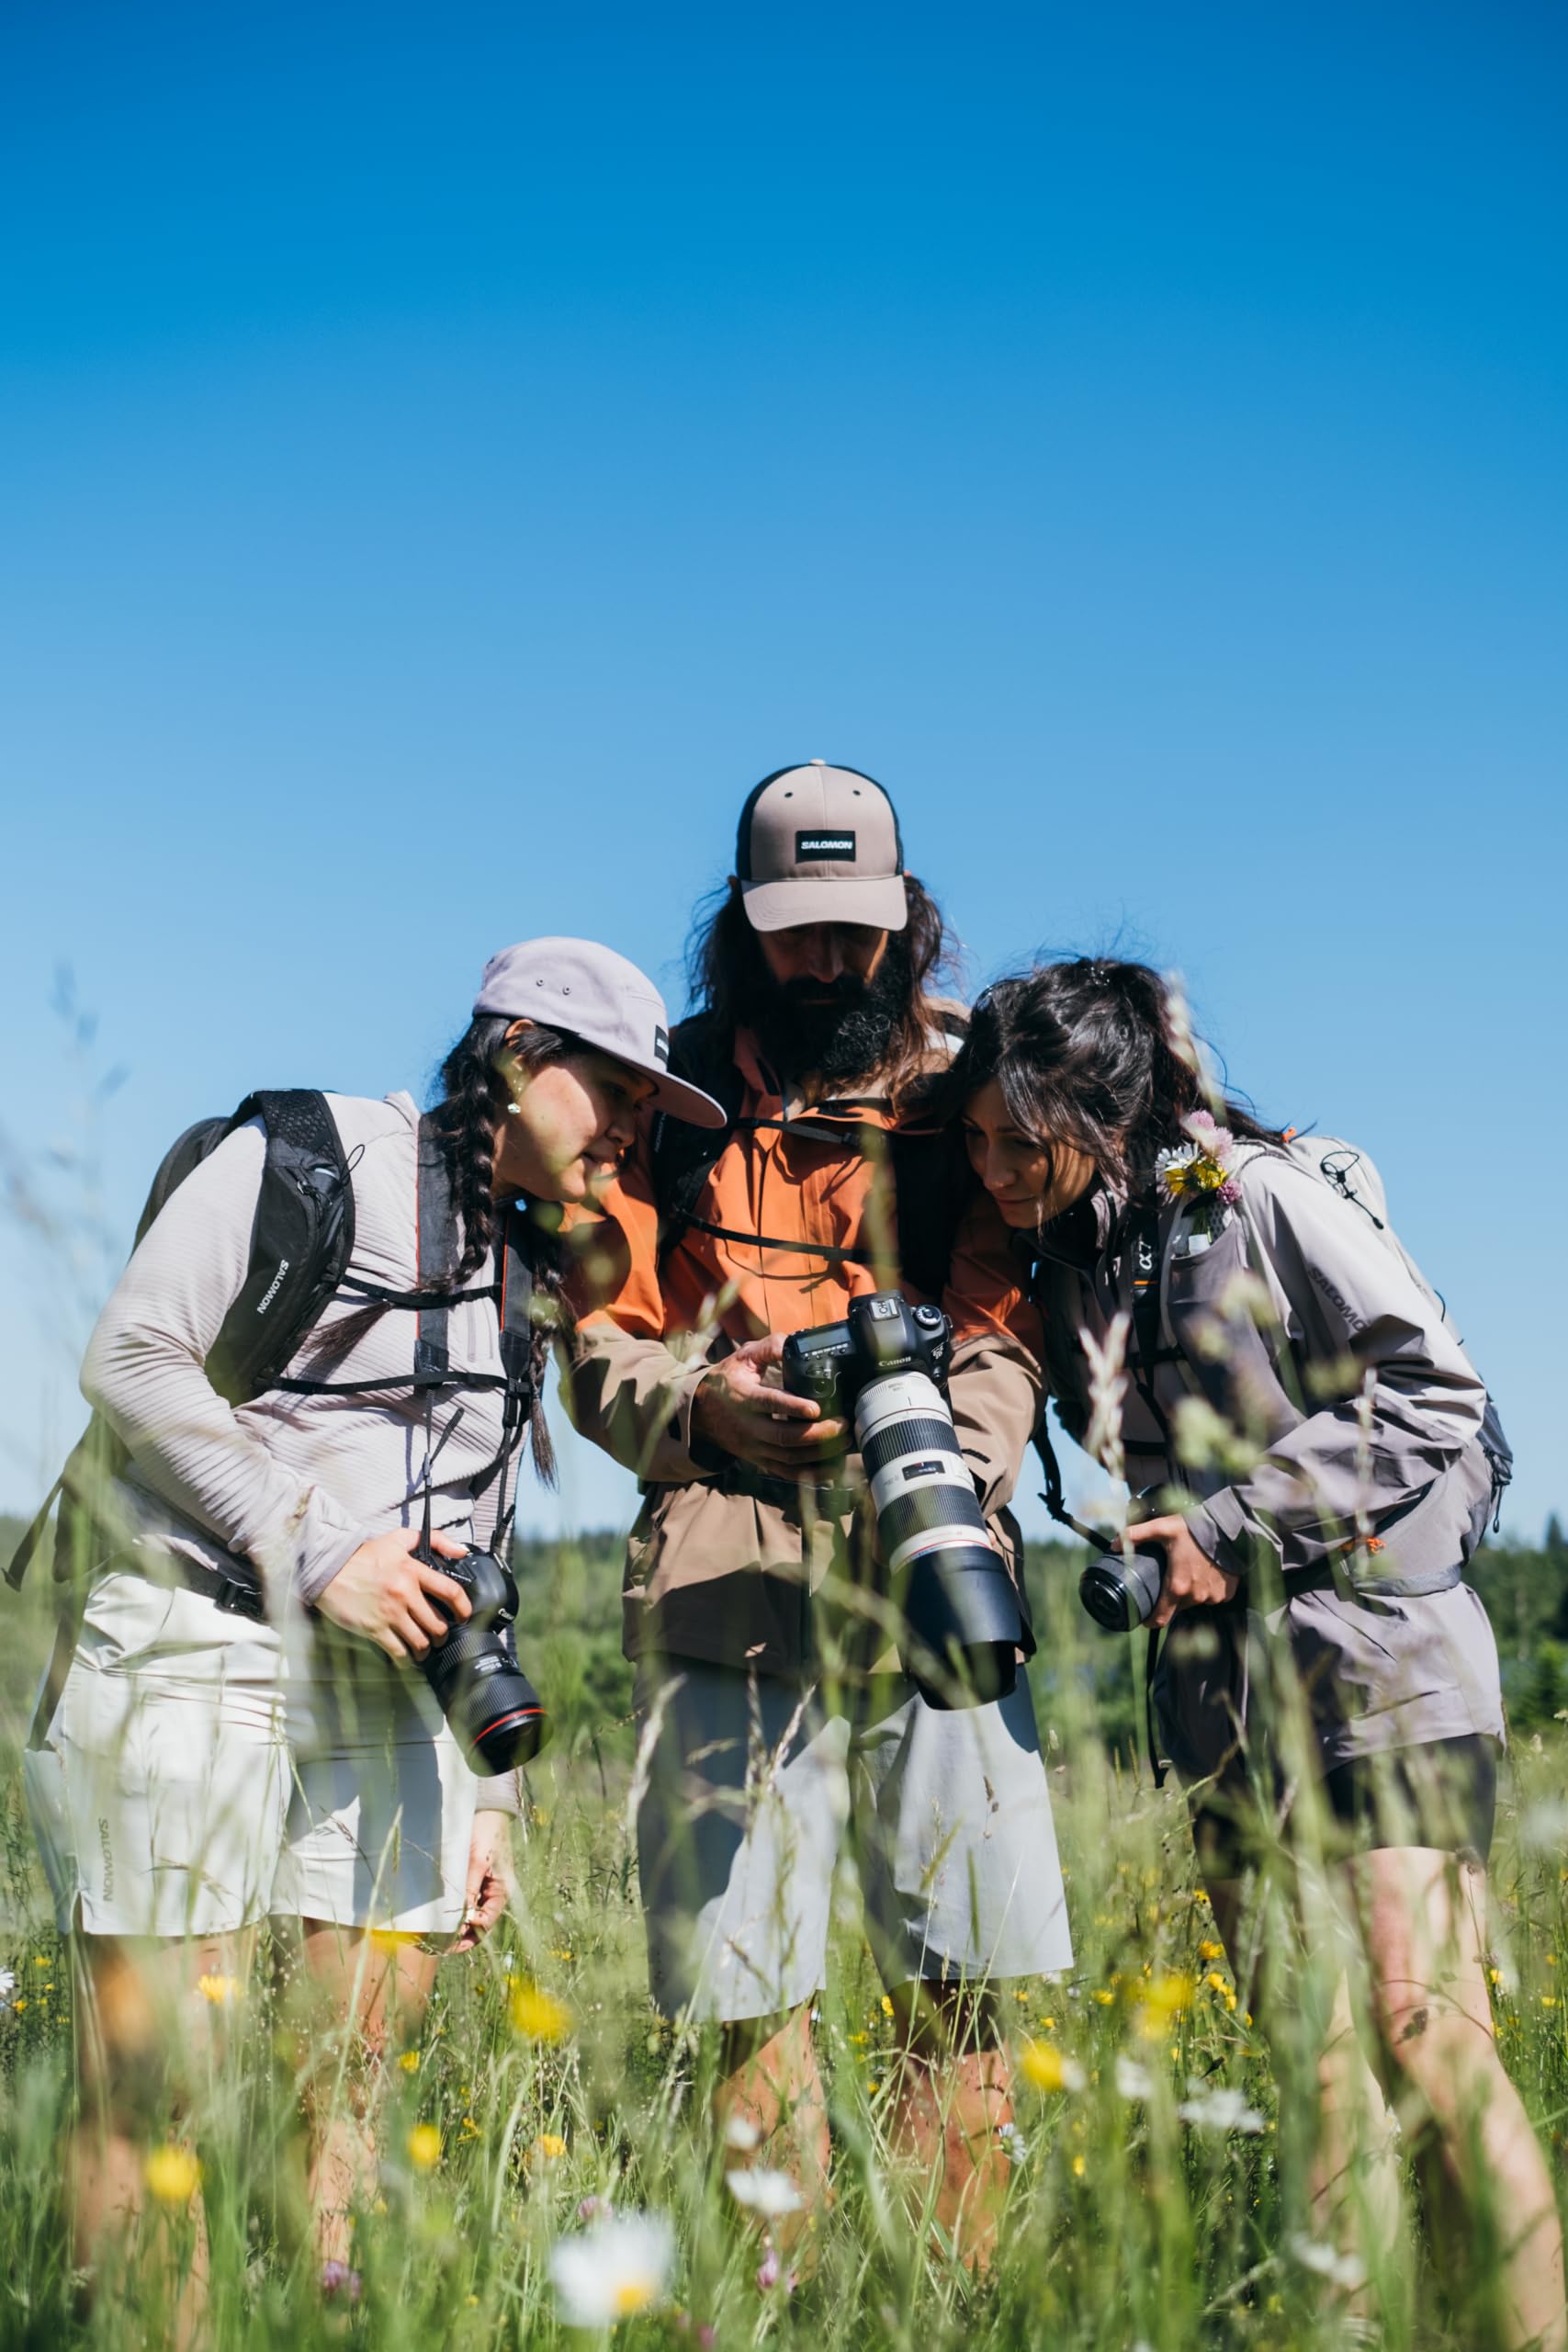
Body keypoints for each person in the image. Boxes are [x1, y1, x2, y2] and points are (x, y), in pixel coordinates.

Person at [23, 938, 723, 2318]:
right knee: (156, 2091)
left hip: (393, 1692)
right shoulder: (311, 1157)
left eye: (650, 1109)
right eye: (617, 1093)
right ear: (516, 1057)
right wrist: (321, 1546)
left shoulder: (528, 1259)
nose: (633, 1131)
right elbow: (131, 1356)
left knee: (347, 2082)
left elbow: (480, 1531)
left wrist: (491, 1801)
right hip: (193, 1639)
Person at [946, 956, 1565, 2350]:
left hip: (1381, 1661)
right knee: (1315, 2067)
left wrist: (1229, 1518)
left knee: (1425, 2037)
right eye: (974, 1139)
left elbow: (1435, 1387)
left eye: (1017, 1137)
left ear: (1104, 1111)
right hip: (1218, 1691)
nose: (992, 1169)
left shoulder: (1262, 1200)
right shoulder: (1074, 1255)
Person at [564, 763, 1073, 2271]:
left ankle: (952, 2309)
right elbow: (596, 1345)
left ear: (906, 922)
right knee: (749, 1989)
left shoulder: (965, 1095)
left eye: (856, 930)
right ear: (742, 922)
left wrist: (949, 1466)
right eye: (797, 931)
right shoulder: (663, 1101)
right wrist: (702, 1408)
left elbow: (1001, 1324)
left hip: (936, 1565)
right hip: (721, 1569)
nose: (829, 960)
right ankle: (781, 2309)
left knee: (966, 1978)